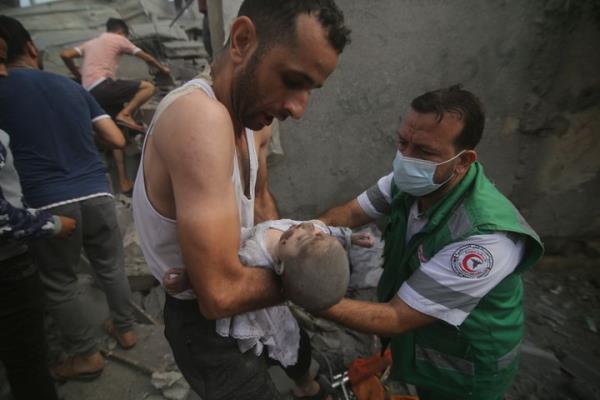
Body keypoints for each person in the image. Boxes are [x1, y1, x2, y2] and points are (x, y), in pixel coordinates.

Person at [132, 0, 351, 398]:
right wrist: (314, 282)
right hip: (203, 325)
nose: (298, 109)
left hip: (253, 285)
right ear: (242, 40)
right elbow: (218, 295)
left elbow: (264, 209)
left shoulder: (255, 122)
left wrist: (285, 261)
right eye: (291, 79)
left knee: (303, 364)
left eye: (310, 90)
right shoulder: (199, 117)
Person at [317, 86, 545, 400]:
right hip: (425, 341)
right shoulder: (410, 183)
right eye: (402, 143)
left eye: (424, 152)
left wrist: (306, 295)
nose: (405, 159)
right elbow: (351, 212)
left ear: (463, 161)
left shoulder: (484, 240)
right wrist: (306, 231)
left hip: (464, 370)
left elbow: (397, 317)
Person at [0, 15, 138, 381]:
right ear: (31, 47)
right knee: (110, 265)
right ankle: (126, 330)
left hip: (47, 203)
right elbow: (116, 138)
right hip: (96, 191)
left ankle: (85, 355)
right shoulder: (73, 88)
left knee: (59, 281)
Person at [163, 219, 372, 398]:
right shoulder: (305, 240)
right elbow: (324, 230)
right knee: (278, 351)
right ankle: (308, 386)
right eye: (313, 233)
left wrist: (187, 280)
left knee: (297, 351)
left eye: (300, 238)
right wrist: (347, 236)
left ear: (280, 267)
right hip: (265, 320)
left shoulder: (251, 258)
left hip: (263, 319)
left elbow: (215, 277)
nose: (304, 228)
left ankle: (306, 387)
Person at [0, 29, 76, 400]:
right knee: (28, 361)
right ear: (32, 48)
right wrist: (50, 223)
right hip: (10, 262)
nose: (3, 73)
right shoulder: (65, 89)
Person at [60, 17, 170, 194]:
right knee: (148, 87)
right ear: (121, 32)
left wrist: (78, 74)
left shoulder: (92, 43)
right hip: (103, 85)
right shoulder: (118, 38)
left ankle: (123, 181)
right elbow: (145, 56)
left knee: (116, 136)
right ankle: (126, 114)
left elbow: (65, 55)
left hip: (89, 91)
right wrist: (162, 69)